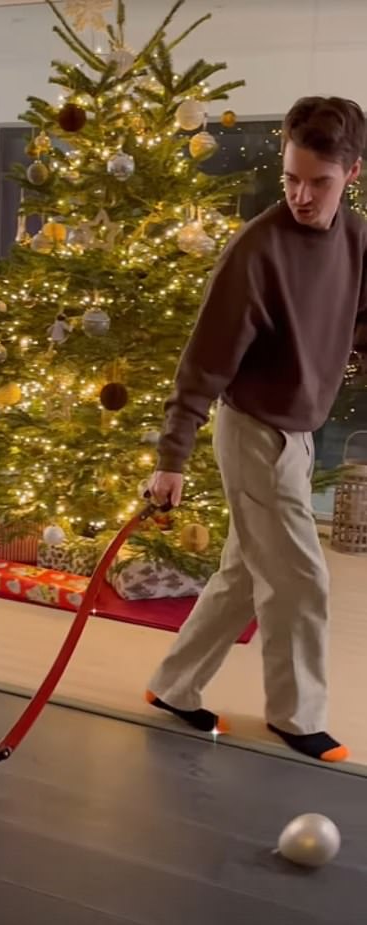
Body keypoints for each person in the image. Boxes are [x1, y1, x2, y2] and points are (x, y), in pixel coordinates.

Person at [146, 96, 367, 763]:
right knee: (302, 580)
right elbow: (202, 364)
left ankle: (174, 684)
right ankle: (296, 716)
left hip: (298, 433)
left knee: (244, 572)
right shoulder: (256, 250)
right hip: (253, 433)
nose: (301, 195)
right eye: (291, 178)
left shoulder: (357, 240)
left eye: (318, 182)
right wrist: (172, 457)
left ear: (351, 174)